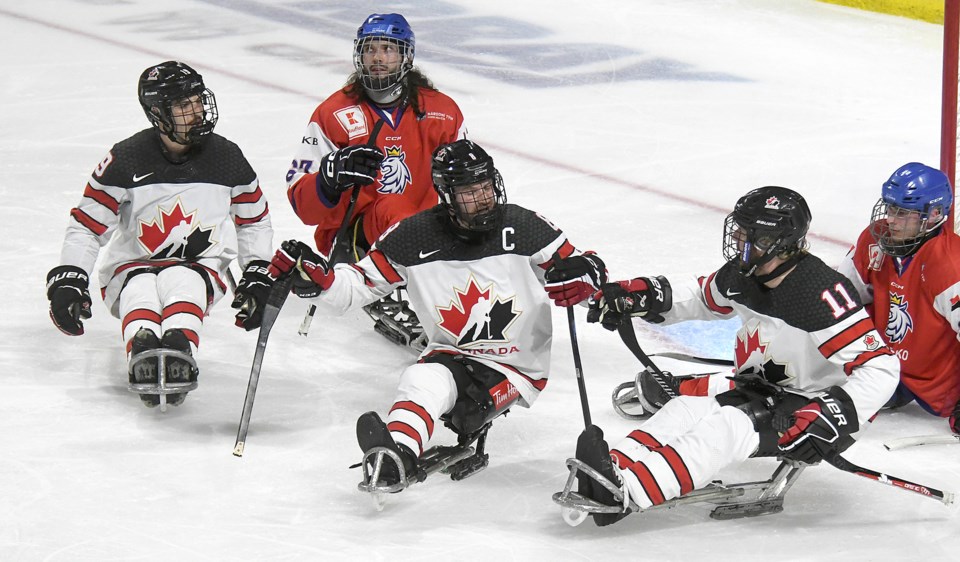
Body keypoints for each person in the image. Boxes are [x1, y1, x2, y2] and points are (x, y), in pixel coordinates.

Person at [268, 139, 607, 488]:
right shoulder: (413, 237)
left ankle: (426, 434)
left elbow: (587, 273)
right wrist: (320, 282)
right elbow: (354, 288)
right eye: (468, 192)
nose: (482, 198)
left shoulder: (525, 227)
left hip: (515, 366)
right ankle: (395, 456)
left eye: (485, 186)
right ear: (446, 196)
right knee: (421, 380)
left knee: (468, 410)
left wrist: (586, 276)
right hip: (450, 353)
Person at [574, 186, 899, 526]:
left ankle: (629, 492)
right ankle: (610, 470)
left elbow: (881, 368)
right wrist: (643, 297)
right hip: (765, 389)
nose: (738, 238)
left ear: (775, 241)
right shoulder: (745, 275)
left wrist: (828, 417)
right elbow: (703, 296)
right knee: (685, 407)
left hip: (813, 409)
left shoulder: (820, 293)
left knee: (729, 425)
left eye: (748, 233)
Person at [45, 61, 276, 408]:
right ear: (157, 113)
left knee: (184, 279)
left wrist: (258, 270)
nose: (196, 112)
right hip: (132, 265)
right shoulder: (125, 158)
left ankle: (180, 347)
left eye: (198, 100)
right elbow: (87, 225)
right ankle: (144, 349)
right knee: (140, 288)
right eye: (184, 106)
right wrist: (71, 276)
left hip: (199, 265)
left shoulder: (227, 157)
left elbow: (253, 220)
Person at [285, 13, 466, 260]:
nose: (377, 57)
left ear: (407, 56)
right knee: (392, 206)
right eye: (369, 49)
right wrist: (329, 178)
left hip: (428, 233)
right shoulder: (334, 113)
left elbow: (466, 183)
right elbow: (303, 206)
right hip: (354, 237)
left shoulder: (443, 112)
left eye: (388, 49)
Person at [837, 162, 960, 434]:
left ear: (935, 214)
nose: (891, 219)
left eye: (903, 212)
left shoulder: (951, 265)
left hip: (940, 386)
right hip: (881, 369)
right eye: (890, 208)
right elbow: (840, 300)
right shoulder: (874, 239)